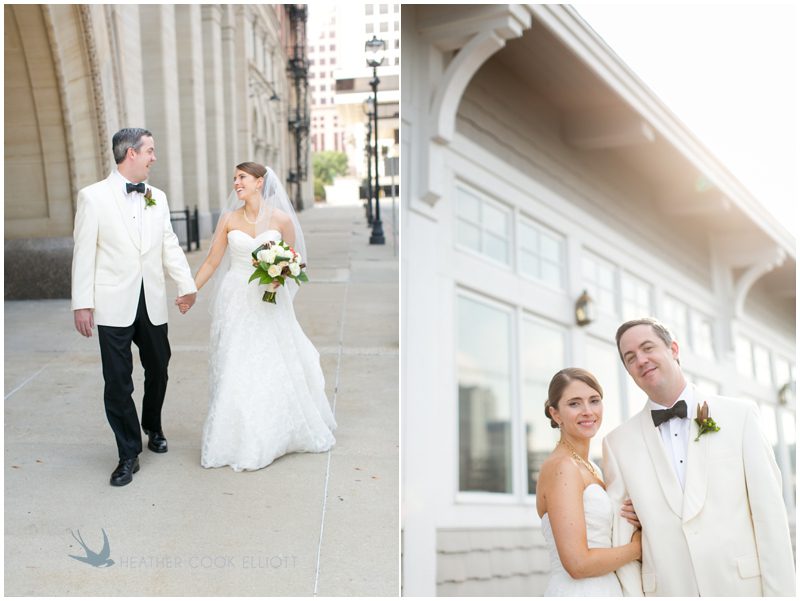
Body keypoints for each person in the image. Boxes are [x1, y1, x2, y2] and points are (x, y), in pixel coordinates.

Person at [603, 317, 795, 596]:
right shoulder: (617, 443)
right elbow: (621, 537)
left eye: (648, 348)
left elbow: (770, 516)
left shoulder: (739, 416)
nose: (641, 360)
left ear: (674, 349)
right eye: (630, 357)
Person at [188, 162, 336, 471]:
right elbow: (212, 261)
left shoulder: (281, 219)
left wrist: (279, 277)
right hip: (236, 299)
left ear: (259, 182)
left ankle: (274, 431)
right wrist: (190, 290)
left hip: (269, 300)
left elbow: (294, 261)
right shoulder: (229, 219)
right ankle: (236, 436)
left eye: (242, 177)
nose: (236, 183)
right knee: (236, 362)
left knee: (271, 360)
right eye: (234, 178)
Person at [71, 127, 197, 487]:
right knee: (117, 382)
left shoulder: (157, 197)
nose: (154, 157)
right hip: (112, 303)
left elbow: (169, 244)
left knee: (159, 368)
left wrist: (186, 285)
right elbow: (84, 252)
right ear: (131, 154)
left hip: (151, 300)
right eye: (150, 151)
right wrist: (82, 303)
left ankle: (152, 424)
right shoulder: (93, 197)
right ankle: (128, 453)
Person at [537, 367, 641, 596]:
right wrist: (636, 548)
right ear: (555, 414)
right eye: (574, 404)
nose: (587, 411)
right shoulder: (562, 467)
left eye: (594, 401)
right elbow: (578, 564)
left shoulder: (590, 466)